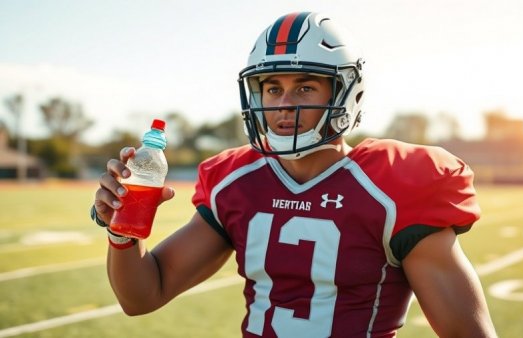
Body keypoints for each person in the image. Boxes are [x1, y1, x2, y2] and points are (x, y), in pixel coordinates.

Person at [92, 11, 497, 338]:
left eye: (305, 87)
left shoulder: (396, 185)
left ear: (345, 93)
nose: (283, 105)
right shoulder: (236, 180)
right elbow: (143, 295)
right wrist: (122, 232)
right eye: (271, 88)